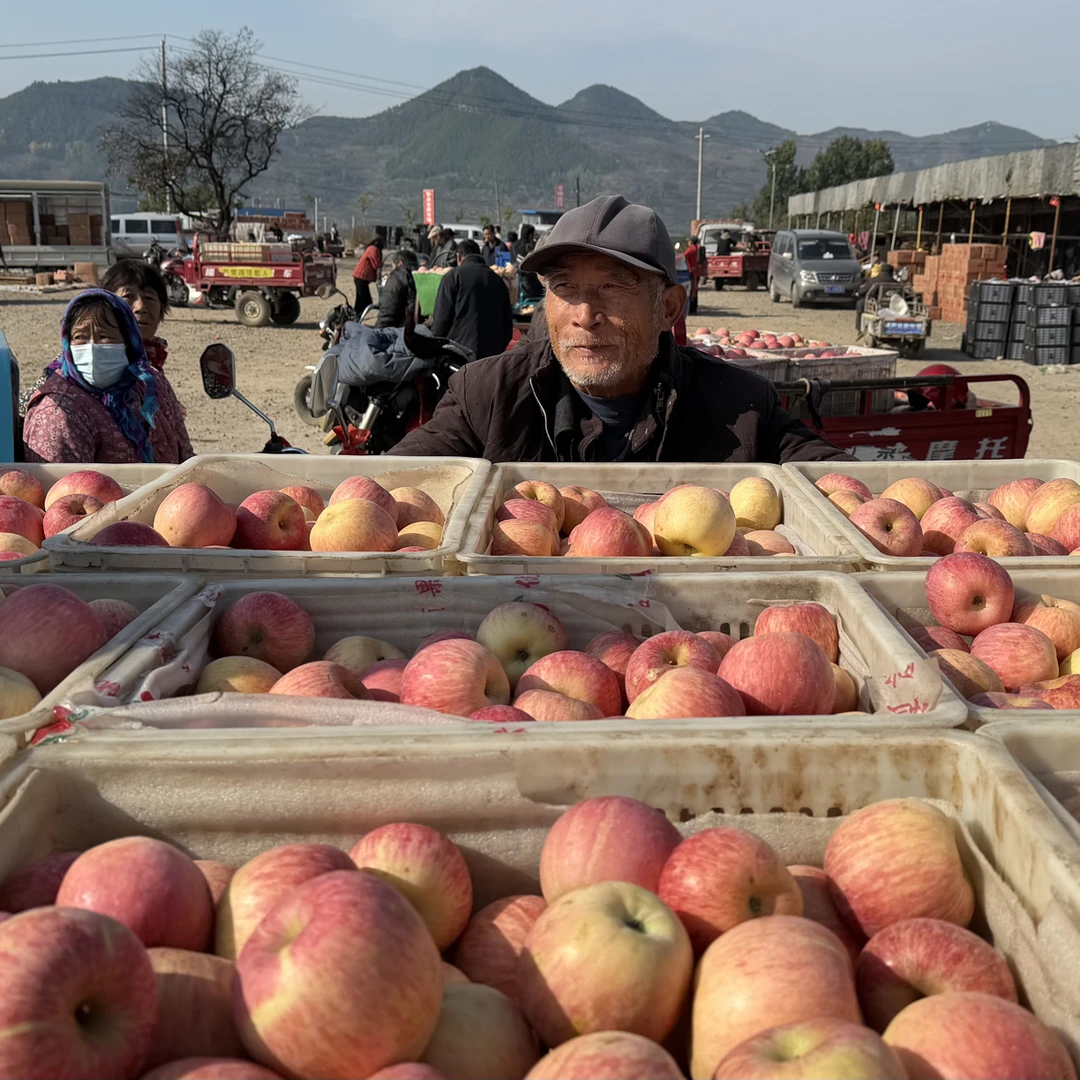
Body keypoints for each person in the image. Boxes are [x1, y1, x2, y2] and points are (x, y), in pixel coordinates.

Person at [390, 195, 848, 463]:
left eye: (612, 287)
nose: (584, 315)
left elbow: (838, 487)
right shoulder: (487, 396)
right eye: (565, 287)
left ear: (669, 308)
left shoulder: (741, 408)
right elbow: (390, 488)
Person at [23, 289, 192, 464]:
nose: (92, 349)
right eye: (80, 337)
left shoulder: (151, 384)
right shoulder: (59, 412)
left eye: (104, 337)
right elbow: (61, 480)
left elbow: (186, 456)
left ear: (128, 341)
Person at [428, 239, 513, 363]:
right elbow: (507, 324)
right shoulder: (497, 280)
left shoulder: (453, 277)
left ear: (458, 257)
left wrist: (434, 347)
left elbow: (441, 320)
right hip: (491, 356)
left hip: (460, 354)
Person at [375, 249, 418, 329]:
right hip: (422, 326)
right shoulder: (423, 273)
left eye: (393, 266)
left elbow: (388, 312)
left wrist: (378, 330)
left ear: (400, 263)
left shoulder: (397, 277)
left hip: (403, 329)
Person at [855, 263, 896, 330]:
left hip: (874, 305)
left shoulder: (873, 280)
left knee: (860, 303)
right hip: (892, 305)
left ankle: (859, 328)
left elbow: (862, 292)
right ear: (892, 272)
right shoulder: (896, 283)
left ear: (881, 271)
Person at [512, 224, 543, 299]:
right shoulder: (530, 247)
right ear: (530, 235)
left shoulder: (514, 245)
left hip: (517, 285)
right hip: (531, 288)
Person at [352, 236, 384, 310]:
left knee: (365, 299)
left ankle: (358, 313)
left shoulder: (371, 248)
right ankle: (357, 314)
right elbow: (376, 264)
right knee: (362, 299)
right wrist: (381, 264)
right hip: (361, 276)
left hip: (360, 277)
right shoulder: (374, 249)